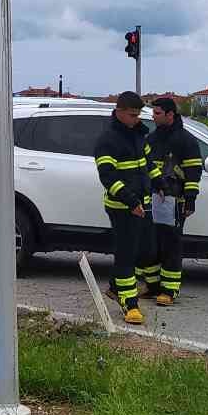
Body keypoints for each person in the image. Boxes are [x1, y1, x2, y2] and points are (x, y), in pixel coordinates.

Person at [92, 91, 151, 325]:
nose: (136, 119)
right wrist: (131, 201)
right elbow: (108, 176)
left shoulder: (137, 135)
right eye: (132, 115)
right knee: (126, 253)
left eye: (138, 115)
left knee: (137, 249)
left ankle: (116, 287)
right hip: (121, 205)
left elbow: (146, 166)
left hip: (139, 203)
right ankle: (130, 303)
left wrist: (159, 185)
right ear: (118, 112)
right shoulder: (107, 140)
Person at [141, 97, 202, 305]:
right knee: (149, 244)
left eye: (157, 113)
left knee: (171, 245)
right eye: (153, 113)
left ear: (170, 115)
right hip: (152, 199)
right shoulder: (151, 139)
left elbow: (193, 172)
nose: (153, 116)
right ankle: (152, 286)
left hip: (174, 200)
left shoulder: (185, 140)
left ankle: (169, 290)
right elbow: (145, 168)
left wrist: (190, 199)